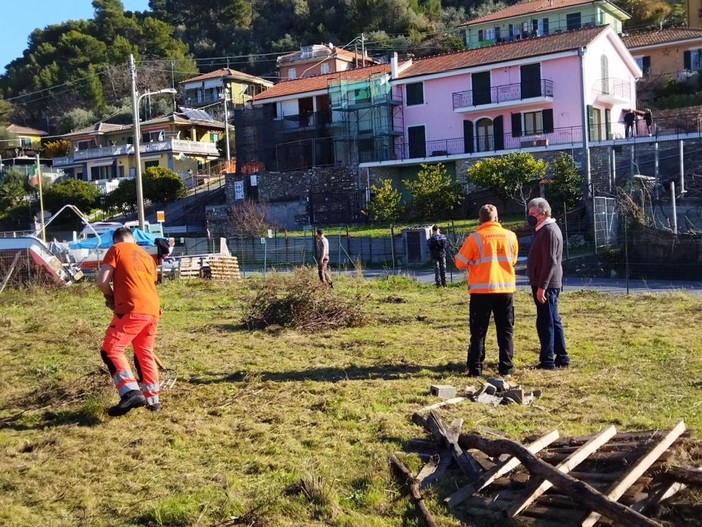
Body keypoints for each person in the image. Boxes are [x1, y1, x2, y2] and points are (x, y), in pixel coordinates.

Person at [96, 227, 161, 416]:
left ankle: (130, 392)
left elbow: (102, 281)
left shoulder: (116, 249)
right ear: (134, 240)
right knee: (144, 352)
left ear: (115, 241)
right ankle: (153, 400)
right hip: (153, 309)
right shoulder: (147, 257)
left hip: (132, 308)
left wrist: (111, 296)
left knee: (111, 349)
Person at [455, 205, 518, 377]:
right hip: (505, 290)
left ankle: (475, 369)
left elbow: (459, 263)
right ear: (497, 218)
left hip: (481, 292)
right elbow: (513, 260)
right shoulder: (511, 236)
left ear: (480, 219)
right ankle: (506, 368)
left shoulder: (475, 238)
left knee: (478, 331)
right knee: (505, 330)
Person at [526, 197, 570, 370]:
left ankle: (547, 361)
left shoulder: (549, 231)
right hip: (546, 284)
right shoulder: (543, 229)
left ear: (543, 213)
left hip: (547, 285)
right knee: (553, 320)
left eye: (532, 214)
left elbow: (550, 261)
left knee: (546, 323)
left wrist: (542, 286)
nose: (530, 217)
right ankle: (562, 358)